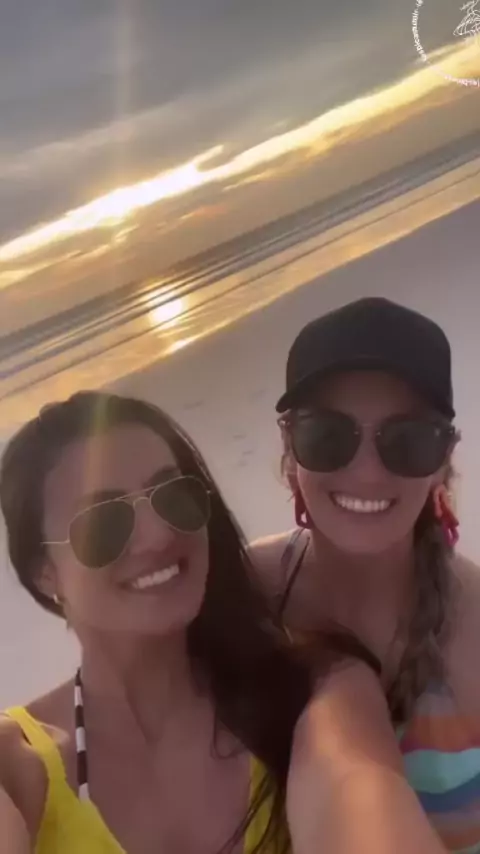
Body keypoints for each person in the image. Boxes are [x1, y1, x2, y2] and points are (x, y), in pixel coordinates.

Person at [0, 389, 448, 854]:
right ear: (44, 571)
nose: (158, 535)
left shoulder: (314, 693)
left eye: (174, 496)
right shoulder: (17, 764)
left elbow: (358, 791)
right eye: (103, 523)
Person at [251, 296, 480, 854]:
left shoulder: (474, 621)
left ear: (443, 460)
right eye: (328, 435)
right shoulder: (247, 589)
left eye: (407, 440)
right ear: (289, 450)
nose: (367, 473)